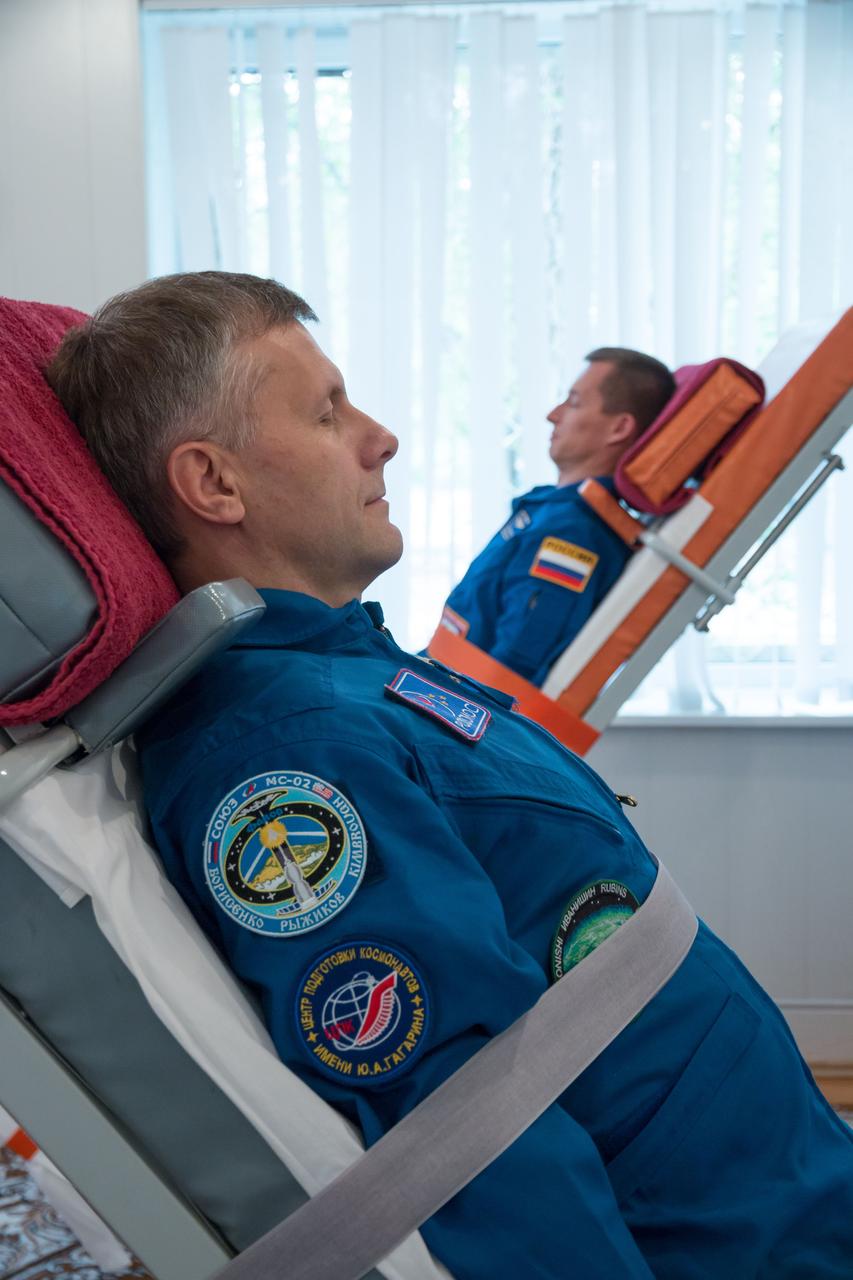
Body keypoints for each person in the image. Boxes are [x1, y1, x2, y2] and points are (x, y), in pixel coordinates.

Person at [47, 272, 853, 1280]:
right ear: (214, 484)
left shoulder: (343, 675)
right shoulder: (289, 753)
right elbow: (470, 1135)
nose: (379, 437)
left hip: (775, 1185)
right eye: (327, 412)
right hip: (741, 1241)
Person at [437, 350, 675, 685]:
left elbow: (512, 667)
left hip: (453, 696)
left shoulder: (573, 533)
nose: (553, 415)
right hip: (438, 676)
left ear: (619, 428)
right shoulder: (555, 511)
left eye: (574, 403)